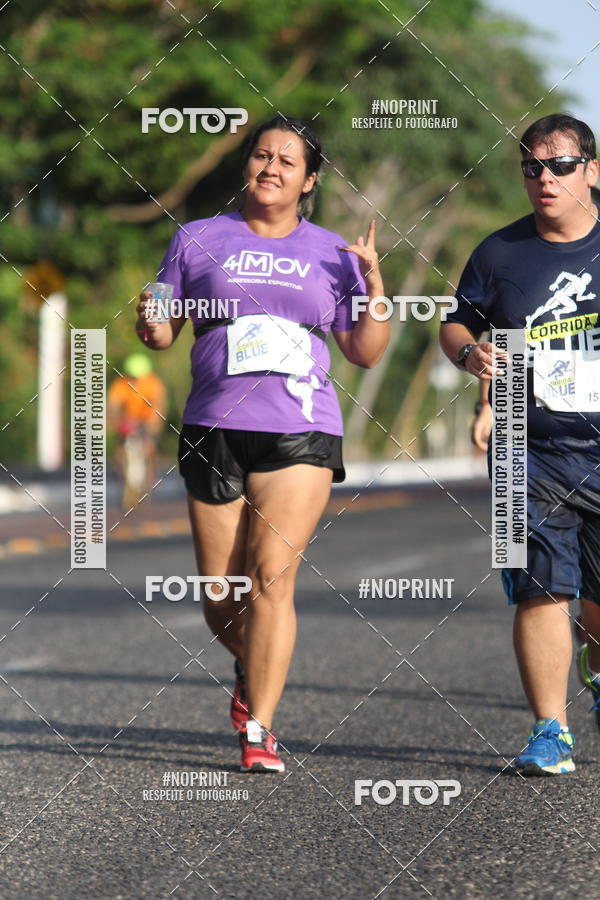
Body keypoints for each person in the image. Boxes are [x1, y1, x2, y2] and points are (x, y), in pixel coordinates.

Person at [135, 115, 389, 773]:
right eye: (261, 156)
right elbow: (162, 330)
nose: (271, 168)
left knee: (271, 575)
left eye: (287, 161)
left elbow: (363, 351)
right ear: (246, 165)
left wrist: (376, 291)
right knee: (222, 595)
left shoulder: (334, 253)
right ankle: (253, 670)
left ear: (309, 182)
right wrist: (151, 321)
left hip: (300, 427)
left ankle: (261, 730)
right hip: (213, 426)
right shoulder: (195, 238)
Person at [440, 113, 600, 776]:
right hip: (519, 445)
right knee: (538, 586)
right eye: (532, 167)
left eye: (560, 164)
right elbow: (456, 325)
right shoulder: (499, 253)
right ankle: (550, 729)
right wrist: (471, 353)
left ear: (592, 169)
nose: (544, 178)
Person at [107, 353, 167, 506]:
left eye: (139, 376)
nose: (135, 379)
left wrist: (153, 425)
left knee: (148, 448)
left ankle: (149, 480)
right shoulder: (122, 383)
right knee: (121, 453)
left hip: (147, 421)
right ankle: (123, 477)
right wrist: (114, 423)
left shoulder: (153, 383)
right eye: (133, 376)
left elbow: (159, 405)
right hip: (128, 421)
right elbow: (112, 404)